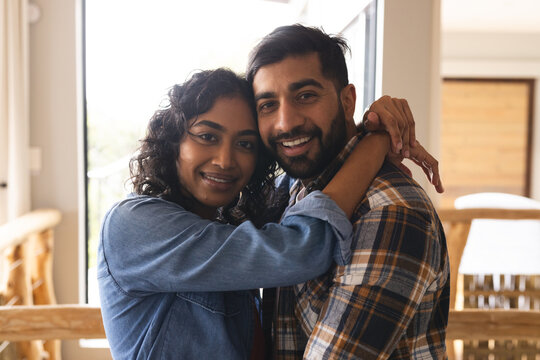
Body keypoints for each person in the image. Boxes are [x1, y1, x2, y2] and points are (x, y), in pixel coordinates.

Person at [97, 68, 423, 359]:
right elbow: (301, 249)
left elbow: (307, 168)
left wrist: (375, 119)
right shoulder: (131, 225)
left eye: (246, 144)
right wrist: (376, 142)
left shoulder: (234, 216)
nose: (225, 160)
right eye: (207, 137)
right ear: (174, 142)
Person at [247, 24, 449, 359]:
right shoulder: (287, 191)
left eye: (305, 96)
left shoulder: (391, 209)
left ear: (347, 101)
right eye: (268, 104)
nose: (285, 122)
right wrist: (378, 136)